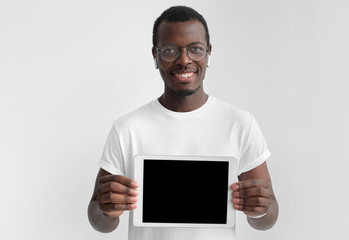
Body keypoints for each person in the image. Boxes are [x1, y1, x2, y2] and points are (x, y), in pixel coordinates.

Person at [88, 5, 279, 240]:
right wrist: (107, 211)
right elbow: (98, 218)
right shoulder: (127, 128)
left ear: (209, 52)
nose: (184, 60)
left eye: (196, 49)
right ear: (155, 56)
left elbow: (268, 218)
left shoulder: (240, 124)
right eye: (169, 51)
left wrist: (261, 210)